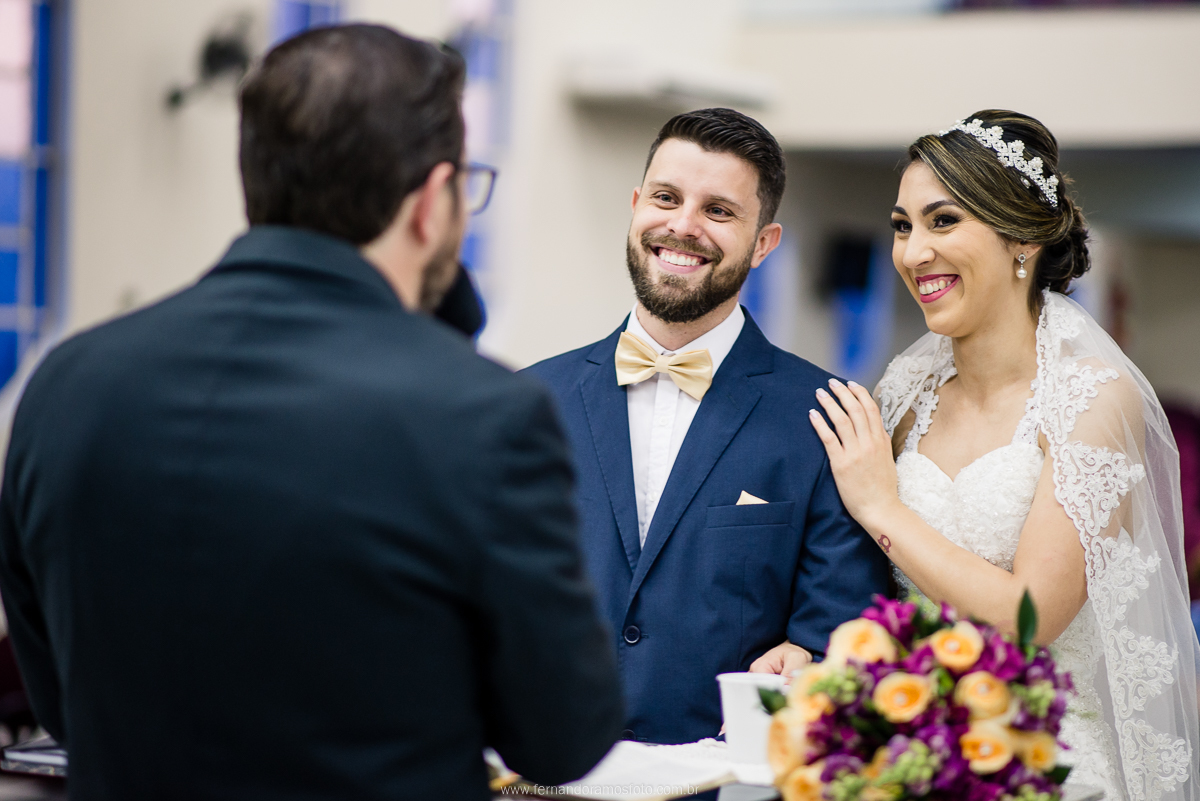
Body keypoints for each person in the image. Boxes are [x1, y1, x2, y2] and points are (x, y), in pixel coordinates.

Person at [0, 25, 623, 801]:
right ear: (432, 202)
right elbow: (563, 734)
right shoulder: (481, 415)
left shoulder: (66, 382)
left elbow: (62, 701)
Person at [809, 109, 1200, 799]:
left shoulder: (1093, 402)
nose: (912, 251)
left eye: (942, 221)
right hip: (911, 748)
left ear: (1020, 237)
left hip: (1044, 756)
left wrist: (880, 506)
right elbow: (862, 580)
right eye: (902, 226)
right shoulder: (900, 393)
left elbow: (1029, 618)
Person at [525, 108, 891, 745]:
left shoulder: (829, 415)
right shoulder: (527, 401)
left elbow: (841, 632)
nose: (683, 226)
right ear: (637, 204)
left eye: (718, 210)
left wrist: (810, 660)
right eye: (666, 198)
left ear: (763, 243)